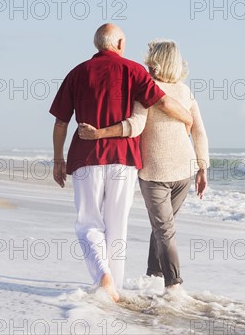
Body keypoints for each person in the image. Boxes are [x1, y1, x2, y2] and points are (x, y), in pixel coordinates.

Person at [50, 24, 194, 302]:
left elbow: (60, 122)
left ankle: (104, 279)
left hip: (86, 158)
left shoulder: (77, 73)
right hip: (124, 160)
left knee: (88, 223)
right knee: (118, 224)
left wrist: (59, 159)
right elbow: (163, 102)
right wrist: (187, 117)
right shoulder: (134, 71)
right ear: (118, 42)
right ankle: (113, 285)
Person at [78, 39, 209, 293]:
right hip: (180, 171)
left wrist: (99, 134)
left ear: (157, 61)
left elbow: (134, 126)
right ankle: (161, 279)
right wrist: (202, 168)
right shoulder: (185, 92)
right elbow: (200, 133)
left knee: (163, 227)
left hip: (158, 172)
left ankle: (169, 283)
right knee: (164, 227)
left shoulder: (146, 90)